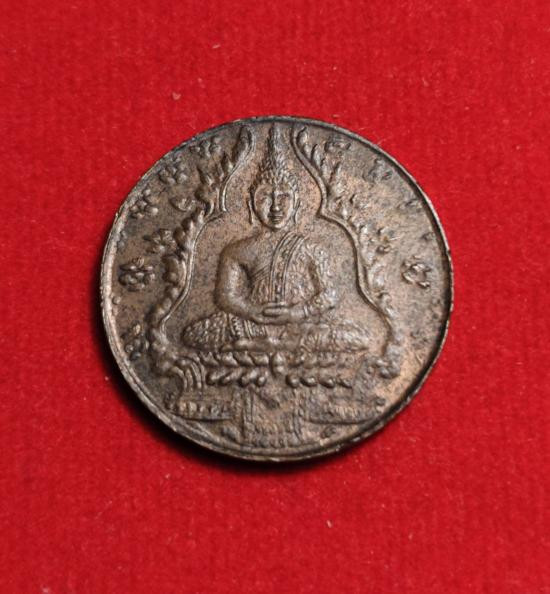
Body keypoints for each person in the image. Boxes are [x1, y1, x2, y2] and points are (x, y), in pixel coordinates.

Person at [182, 125, 369, 354]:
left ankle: (270, 346)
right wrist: (251, 311)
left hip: (301, 324)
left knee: (356, 337)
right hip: (252, 324)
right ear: (252, 203)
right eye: (265, 197)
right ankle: (281, 347)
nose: (276, 207)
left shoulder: (312, 248)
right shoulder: (237, 250)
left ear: (297, 203)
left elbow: (329, 295)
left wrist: (297, 313)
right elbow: (225, 297)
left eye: (284, 197)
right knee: (195, 333)